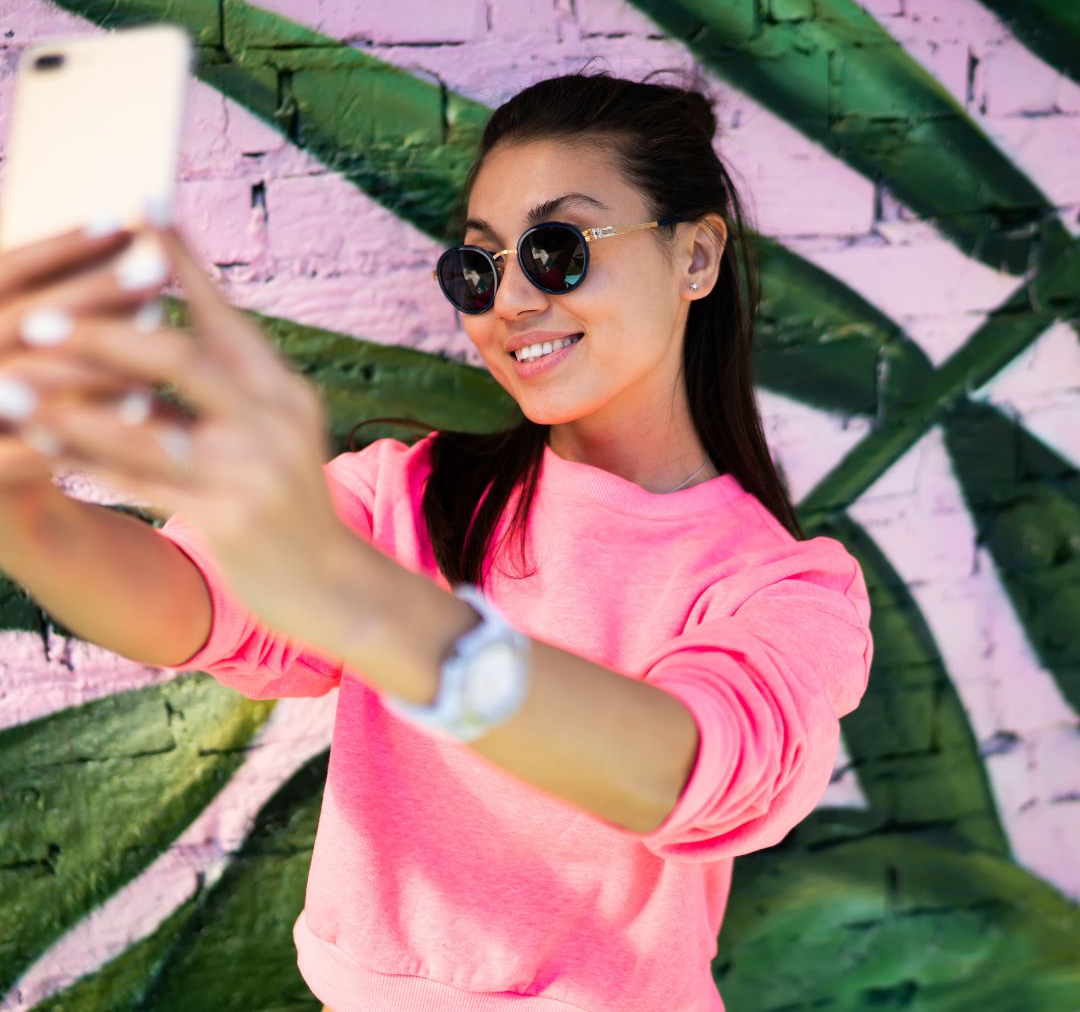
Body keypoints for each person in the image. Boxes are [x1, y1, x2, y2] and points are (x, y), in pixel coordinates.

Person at [0, 69, 874, 1012]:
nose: (508, 301)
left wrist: (358, 601)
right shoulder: (406, 497)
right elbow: (183, 602)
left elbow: (680, 769)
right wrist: (22, 505)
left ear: (696, 257)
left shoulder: (786, 590)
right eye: (478, 266)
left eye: (556, 249)